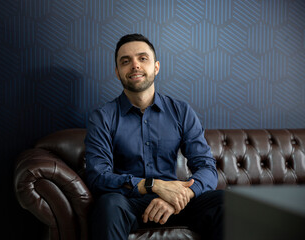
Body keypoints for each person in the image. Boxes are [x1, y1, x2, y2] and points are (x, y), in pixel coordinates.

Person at [85, 33, 223, 240]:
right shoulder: (103, 117)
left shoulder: (181, 111)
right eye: (125, 61)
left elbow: (207, 167)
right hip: (130, 203)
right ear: (117, 72)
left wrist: (177, 197)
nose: (135, 65)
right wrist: (153, 185)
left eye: (142, 58)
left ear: (156, 67)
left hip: (177, 204)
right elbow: (98, 177)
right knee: (108, 205)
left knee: (226, 202)